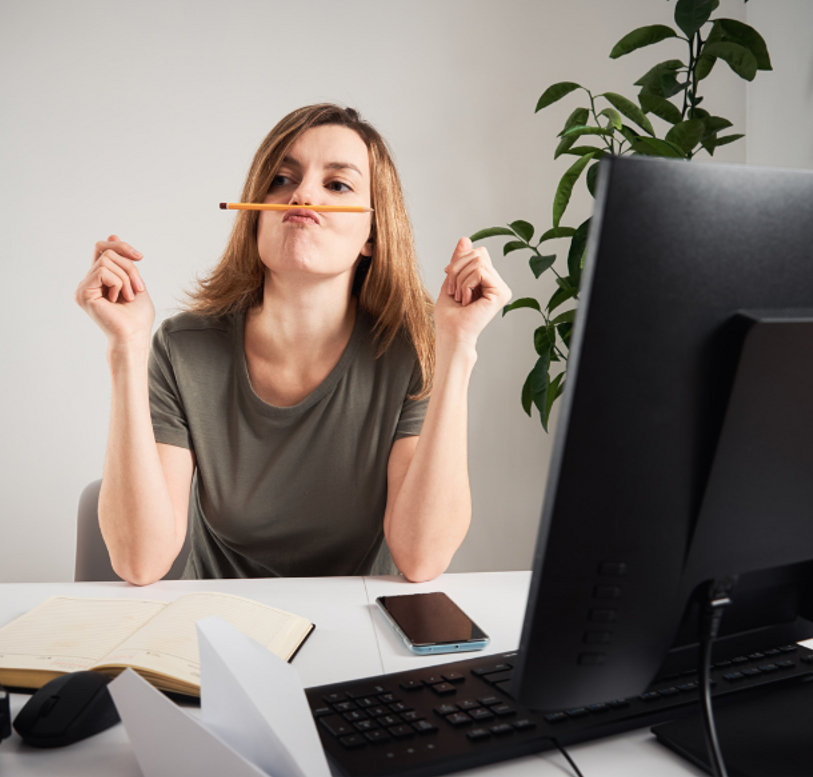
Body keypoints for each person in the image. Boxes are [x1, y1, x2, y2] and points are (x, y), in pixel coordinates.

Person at [74, 104, 511, 585]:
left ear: (373, 232)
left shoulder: (408, 354)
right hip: (216, 632)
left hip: (364, 640)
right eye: (281, 179)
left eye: (337, 184)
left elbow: (421, 558)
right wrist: (126, 346)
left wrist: (457, 347)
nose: (302, 195)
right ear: (255, 216)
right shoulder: (183, 349)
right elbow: (140, 562)